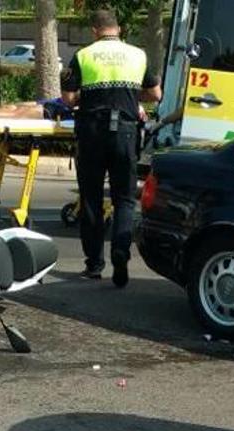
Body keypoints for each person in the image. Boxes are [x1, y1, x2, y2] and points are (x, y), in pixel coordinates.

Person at [61, 8, 162, 288]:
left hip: (92, 133)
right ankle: (120, 249)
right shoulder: (137, 54)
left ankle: (94, 264)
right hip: (126, 134)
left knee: (92, 198)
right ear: (118, 29)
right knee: (125, 199)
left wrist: (88, 94)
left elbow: (68, 99)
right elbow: (155, 94)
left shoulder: (84, 55)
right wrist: (130, 95)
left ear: (95, 30)